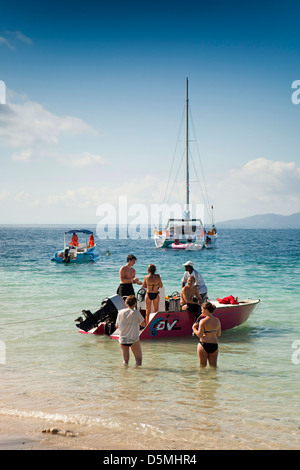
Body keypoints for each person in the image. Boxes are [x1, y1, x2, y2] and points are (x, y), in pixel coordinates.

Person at [115, 295, 145, 367]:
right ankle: (137, 375)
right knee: (138, 360)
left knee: (125, 361)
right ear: (135, 303)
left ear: (126, 303)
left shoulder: (120, 312)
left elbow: (117, 325)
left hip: (123, 339)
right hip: (133, 338)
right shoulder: (136, 312)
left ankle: (125, 375)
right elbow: (143, 324)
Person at [192, 302, 221, 368]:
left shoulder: (203, 321)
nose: (201, 311)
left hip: (204, 344)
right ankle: (213, 378)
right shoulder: (217, 320)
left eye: (202, 309)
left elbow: (200, 335)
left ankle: (203, 378)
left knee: (202, 367)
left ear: (206, 310)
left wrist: (194, 328)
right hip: (214, 344)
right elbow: (218, 334)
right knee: (213, 367)